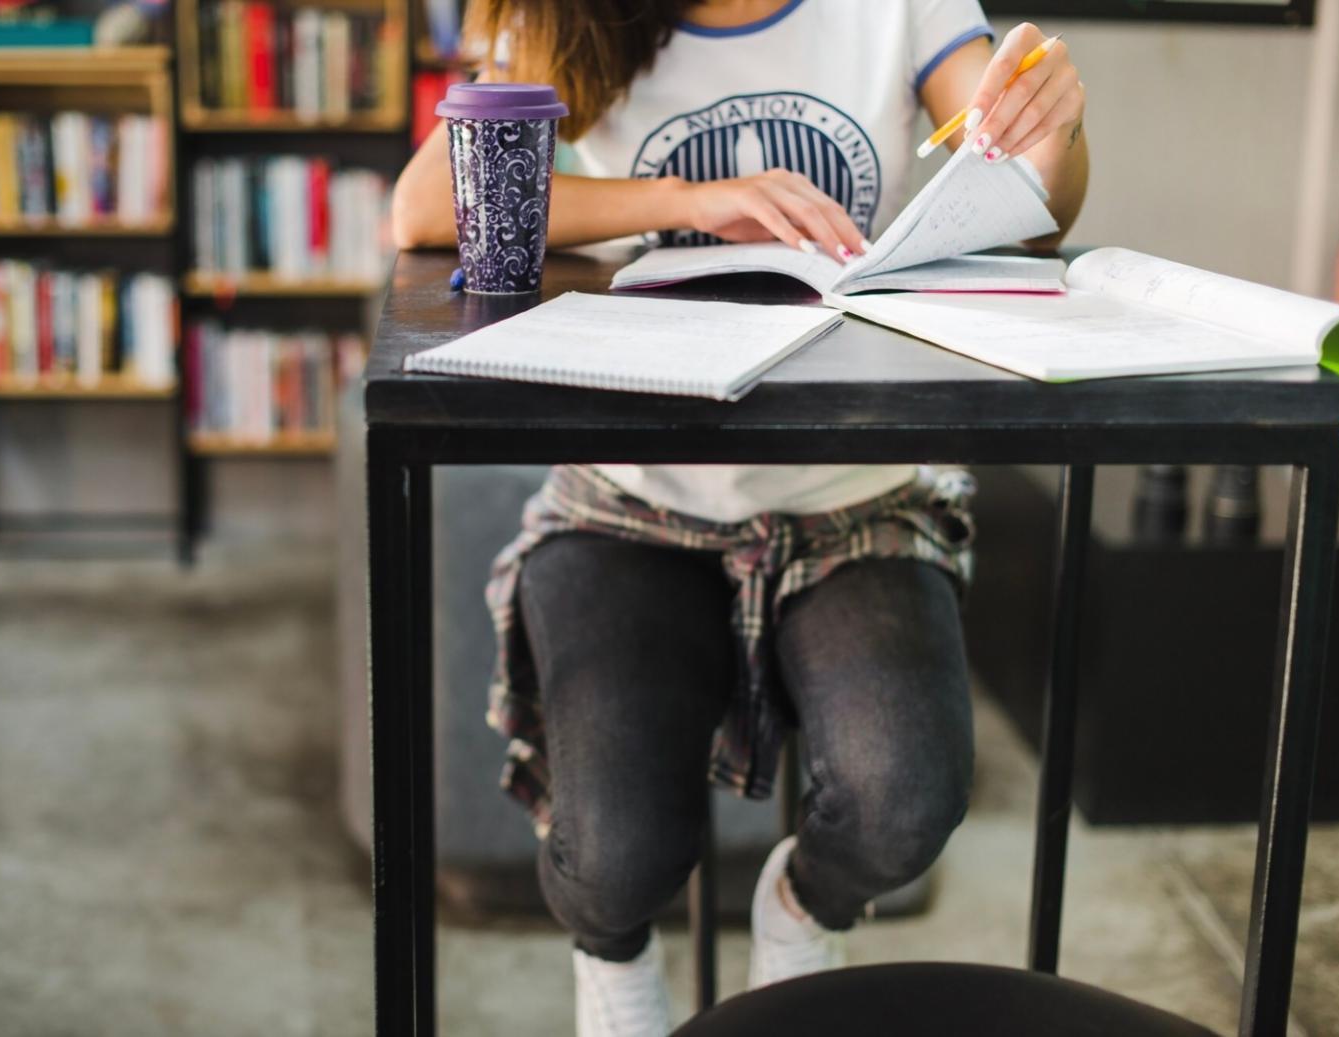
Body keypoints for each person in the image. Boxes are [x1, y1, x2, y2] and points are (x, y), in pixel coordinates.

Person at [391, 3, 1088, 1034]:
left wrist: (1052, 133)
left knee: (905, 794)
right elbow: (424, 203)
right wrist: (689, 199)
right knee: (613, 849)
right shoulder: (577, 14)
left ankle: (802, 906)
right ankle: (614, 955)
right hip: (632, 498)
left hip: (856, 491)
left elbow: (1040, 209)